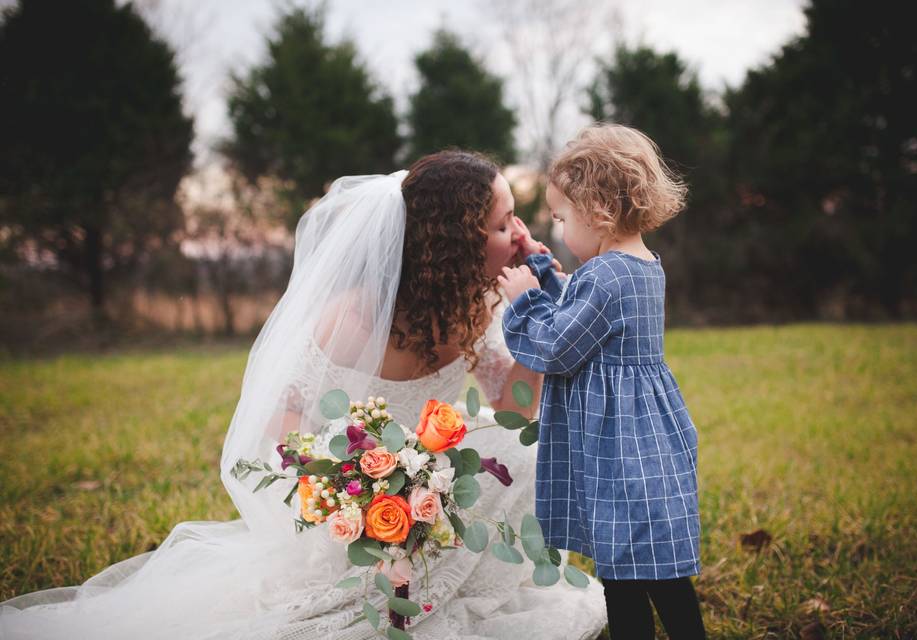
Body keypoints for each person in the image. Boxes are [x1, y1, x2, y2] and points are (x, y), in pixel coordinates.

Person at [0, 151, 608, 639]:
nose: (520, 232)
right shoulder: (354, 317)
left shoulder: (487, 301)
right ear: (454, 244)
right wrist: (352, 486)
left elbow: (517, 411)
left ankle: (456, 577)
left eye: (517, 220)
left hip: (435, 487)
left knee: (526, 451)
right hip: (347, 506)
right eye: (503, 224)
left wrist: (540, 300)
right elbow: (279, 424)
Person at [498, 125, 707, 640]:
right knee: (658, 567)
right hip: (645, 441)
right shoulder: (640, 266)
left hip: (616, 449)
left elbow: (555, 346)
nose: (561, 227)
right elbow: (581, 306)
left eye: (563, 217)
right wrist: (540, 264)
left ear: (597, 211)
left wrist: (523, 298)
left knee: (623, 574)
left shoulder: (605, 277)